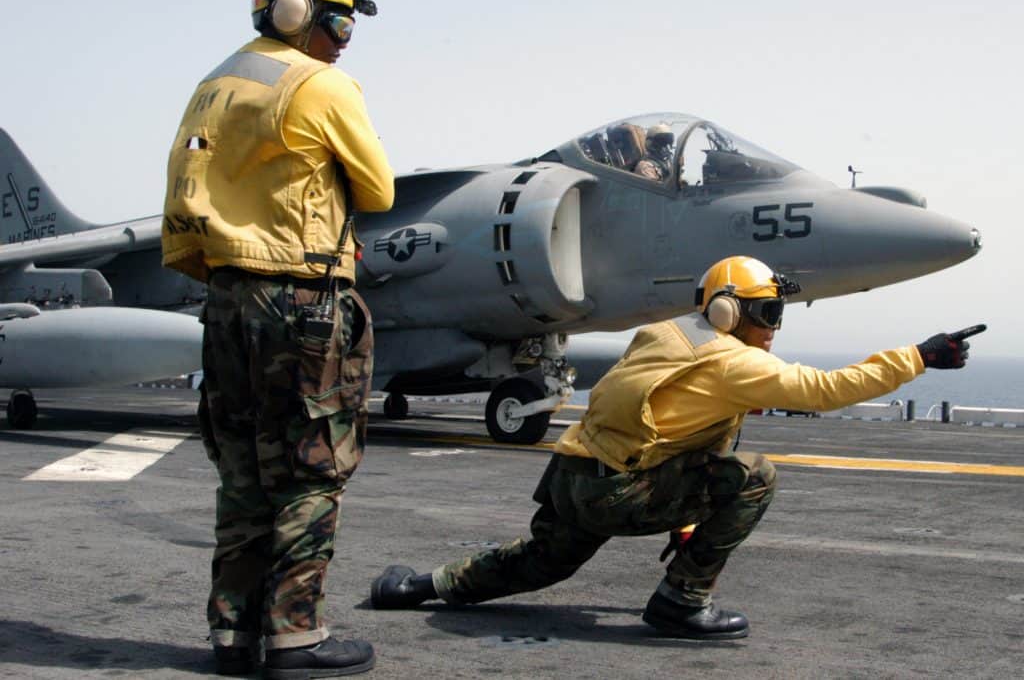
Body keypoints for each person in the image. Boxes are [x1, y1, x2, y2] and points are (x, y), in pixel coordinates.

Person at [367, 255, 984, 641]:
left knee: (541, 563)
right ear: (729, 312)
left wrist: (685, 518)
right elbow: (826, 390)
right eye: (768, 312)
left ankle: (418, 586)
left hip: (573, 476)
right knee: (755, 476)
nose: (774, 326)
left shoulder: (665, 334)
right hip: (617, 490)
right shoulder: (734, 362)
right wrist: (919, 356)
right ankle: (681, 603)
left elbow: (674, 432)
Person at [161, 0, 393, 677]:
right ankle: (297, 637)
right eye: (340, 22)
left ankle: (233, 636)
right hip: (300, 297)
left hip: (227, 299)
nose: (346, 40)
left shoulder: (214, 84)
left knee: (241, 471)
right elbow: (378, 190)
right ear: (297, 14)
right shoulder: (319, 84)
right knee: (311, 468)